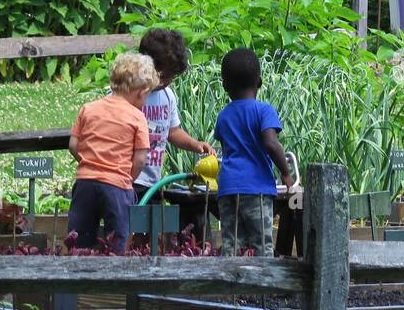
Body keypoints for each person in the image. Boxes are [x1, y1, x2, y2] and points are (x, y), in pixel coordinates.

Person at [67, 52, 158, 250]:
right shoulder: (137, 117)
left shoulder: (88, 109)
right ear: (141, 92)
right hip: (116, 187)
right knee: (116, 241)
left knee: (78, 240)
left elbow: (73, 145)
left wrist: (89, 163)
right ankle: (114, 277)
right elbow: (141, 159)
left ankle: (77, 276)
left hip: (85, 184)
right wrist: (127, 178)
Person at [213, 47, 294, 256]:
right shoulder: (264, 110)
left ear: (224, 85)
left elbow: (227, 148)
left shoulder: (223, 116)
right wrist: (286, 173)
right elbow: (271, 143)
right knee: (262, 245)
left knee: (231, 245)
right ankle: (265, 288)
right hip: (255, 188)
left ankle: (231, 287)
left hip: (228, 188)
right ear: (259, 82)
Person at [133, 28, 212, 198]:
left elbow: (173, 131)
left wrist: (195, 145)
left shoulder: (167, 96)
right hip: (128, 178)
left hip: (152, 181)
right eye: (163, 76)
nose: (167, 82)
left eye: (171, 77)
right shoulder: (127, 93)